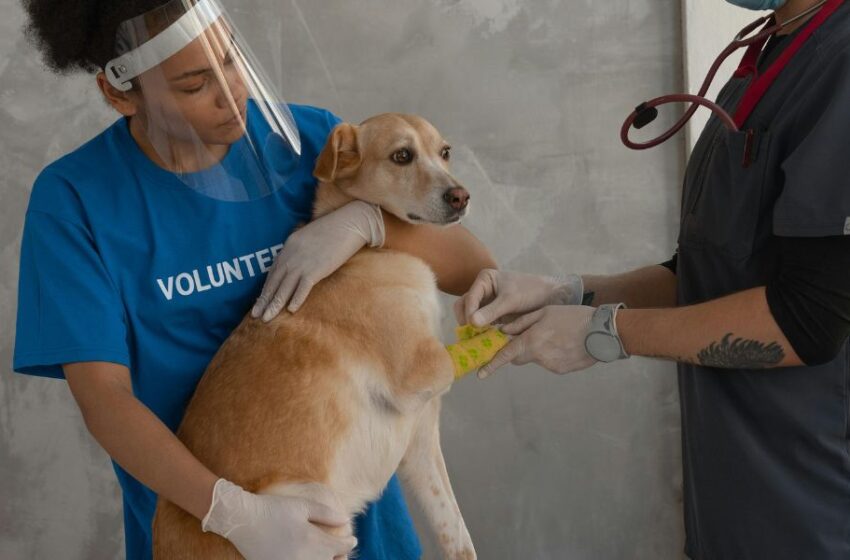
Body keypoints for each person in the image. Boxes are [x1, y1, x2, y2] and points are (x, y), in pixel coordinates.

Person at [12, 1, 496, 559]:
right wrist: (233, 513)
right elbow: (105, 401)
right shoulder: (75, 201)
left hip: (358, 522)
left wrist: (364, 223)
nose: (231, 92)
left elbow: (471, 266)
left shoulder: (304, 140)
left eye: (232, 59)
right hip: (207, 532)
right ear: (120, 94)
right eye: (195, 84)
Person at [456, 0, 850, 558]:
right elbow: (707, 272)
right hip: (732, 505)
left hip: (814, 508)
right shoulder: (768, 48)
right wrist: (569, 290)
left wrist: (606, 333)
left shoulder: (839, 61)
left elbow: (809, 319)